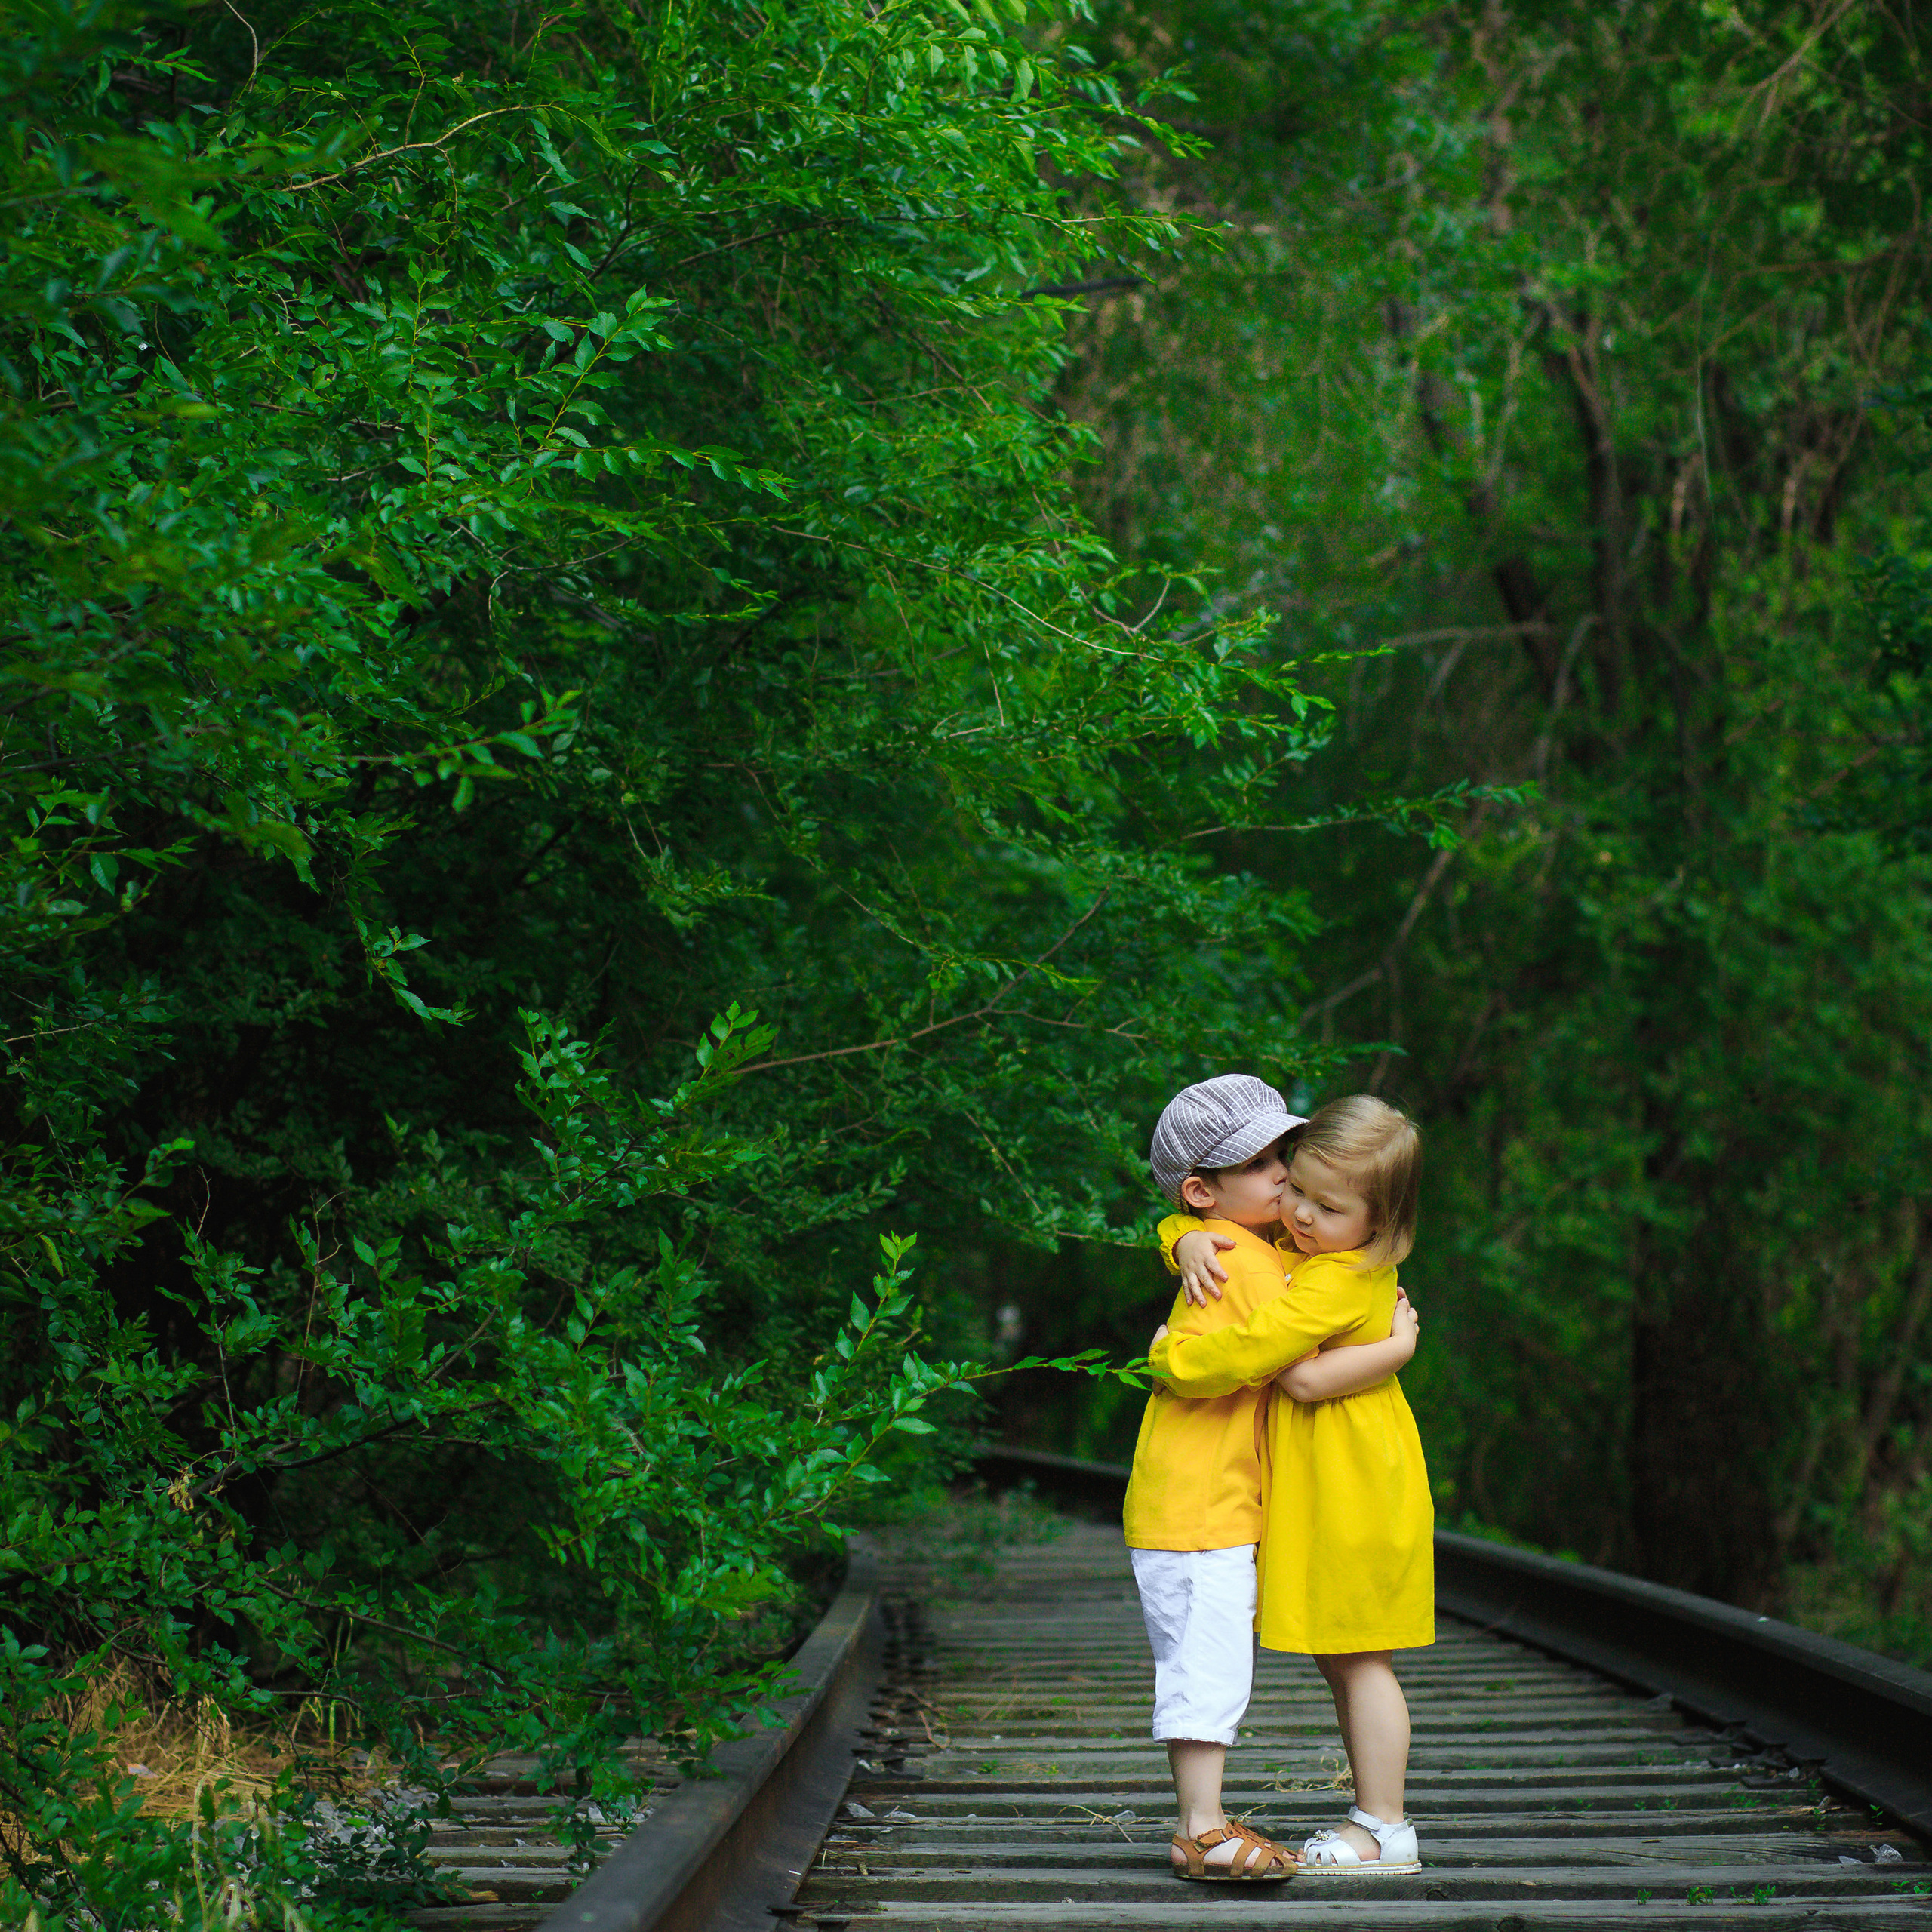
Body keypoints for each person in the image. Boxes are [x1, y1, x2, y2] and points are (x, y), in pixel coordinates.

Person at [1125, 1077, 1417, 1881]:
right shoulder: (1270, 1256)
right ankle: (1213, 1824)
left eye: (1291, 1167)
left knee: (1329, 1657)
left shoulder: (1307, 1270)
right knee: (1248, 1660)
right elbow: (1208, 1242)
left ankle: (1369, 1823)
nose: (1289, 1191)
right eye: (1272, 1167)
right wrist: (1178, 1238)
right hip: (1239, 1494)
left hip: (1307, 1487)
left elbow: (1285, 1368)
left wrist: (1166, 1353)